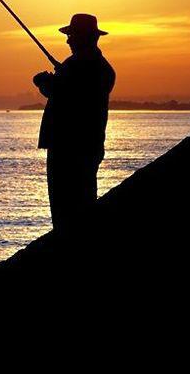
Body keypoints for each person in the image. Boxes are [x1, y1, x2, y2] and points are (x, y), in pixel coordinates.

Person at [33, 13, 115, 229]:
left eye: (72, 35)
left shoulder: (78, 66)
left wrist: (42, 82)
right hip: (87, 146)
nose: (68, 40)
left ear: (86, 37)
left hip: (68, 148)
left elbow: (59, 92)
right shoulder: (102, 68)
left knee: (65, 210)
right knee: (82, 206)